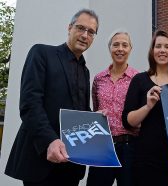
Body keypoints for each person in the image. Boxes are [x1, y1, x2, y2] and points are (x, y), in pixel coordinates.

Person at [5, 9, 99, 186]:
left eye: (91, 32)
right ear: (69, 27)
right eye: (80, 28)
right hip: (40, 158)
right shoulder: (41, 53)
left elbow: (79, 110)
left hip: (71, 163)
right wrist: (50, 140)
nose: (85, 35)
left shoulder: (85, 71)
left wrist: (95, 118)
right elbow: (30, 104)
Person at [122, 30, 168, 186]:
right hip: (147, 158)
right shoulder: (139, 80)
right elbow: (128, 121)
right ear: (152, 51)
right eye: (158, 46)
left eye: (167, 46)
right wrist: (148, 106)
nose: (162, 50)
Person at [86, 30, 139, 186]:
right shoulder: (99, 78)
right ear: (109, 48)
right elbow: (95, 108)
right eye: (115, 45)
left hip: (130, 147)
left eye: (125, 45)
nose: (120, 49)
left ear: (130, 49)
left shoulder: (138, 78)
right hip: (102, 146)